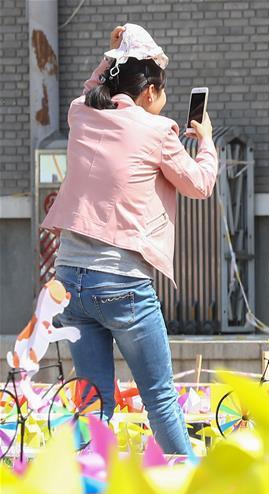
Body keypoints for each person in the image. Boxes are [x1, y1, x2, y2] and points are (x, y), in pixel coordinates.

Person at [42, 25, 218, 454]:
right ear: (151, 91)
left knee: (92, 403)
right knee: (159, 398)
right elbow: (200, 184)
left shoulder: (82, 113)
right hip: (122, 284)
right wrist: (207, 141)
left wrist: (120, 49)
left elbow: (92, 85)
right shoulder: (158, 132)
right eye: (163, 91)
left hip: (68, 279)